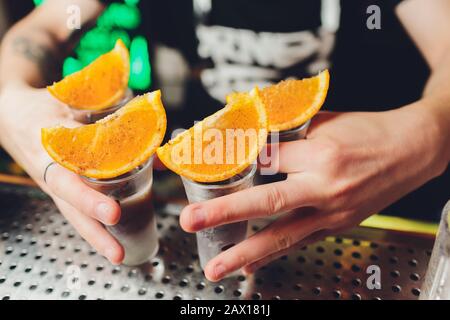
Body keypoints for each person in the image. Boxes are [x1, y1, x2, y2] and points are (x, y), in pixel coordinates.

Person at [0, 0, 448, 282]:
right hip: (185, 191)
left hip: (359, 213)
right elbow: (44, 29)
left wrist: (431, 133)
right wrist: (8, 99)